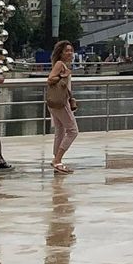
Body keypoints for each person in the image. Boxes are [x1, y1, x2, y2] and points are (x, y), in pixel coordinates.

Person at [46, 40, 80, 173]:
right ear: (60, 53)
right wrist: (62, 76)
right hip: (60, 103)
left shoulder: (63, 65)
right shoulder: (60, 64)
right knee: (73, 131)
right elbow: (50, 79)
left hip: (57, 102)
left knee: (60, 131)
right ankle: (57, 160)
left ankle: (57, 161)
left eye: (71, 50)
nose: (70, 53)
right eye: (67, 50)